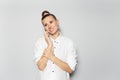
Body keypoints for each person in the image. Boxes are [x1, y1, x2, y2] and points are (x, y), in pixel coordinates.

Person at [34, 10, 77, 80]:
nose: (49, 26)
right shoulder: (40, 42)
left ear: (57, 22)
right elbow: (41, 67)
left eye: (51, 22)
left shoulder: (68, 42)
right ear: (44, 28)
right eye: (46, 25)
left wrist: (51, 57)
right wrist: (50, 45)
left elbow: (70, 69)